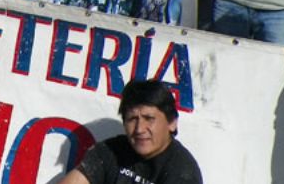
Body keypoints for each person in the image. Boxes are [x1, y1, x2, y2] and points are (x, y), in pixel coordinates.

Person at [57, 79, 203, 184]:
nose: (139, 129)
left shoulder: (183, 173)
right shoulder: (111, 151)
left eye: (149, 118)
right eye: (132, 119)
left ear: (172, 123)